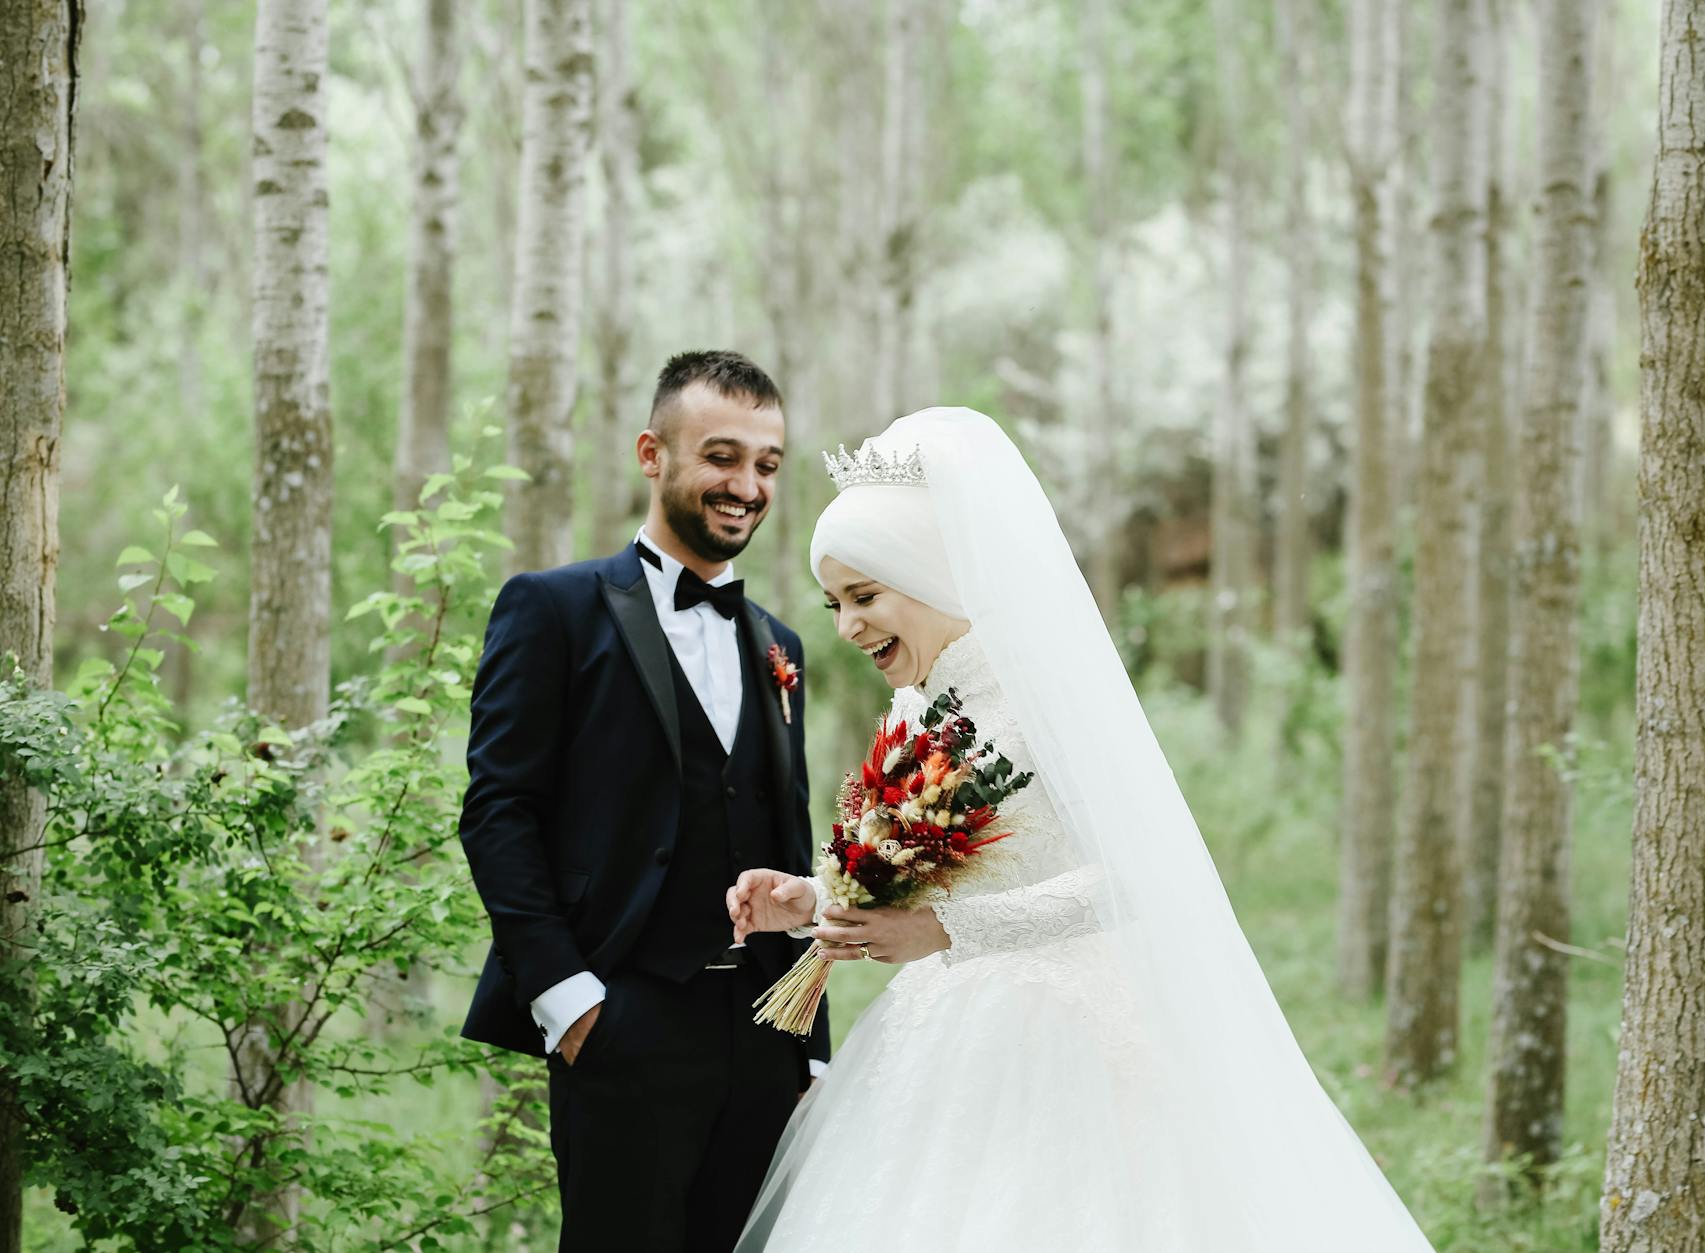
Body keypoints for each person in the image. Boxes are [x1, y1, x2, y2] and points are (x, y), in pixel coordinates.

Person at [727, 408, 1432, 1250]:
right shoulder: (916, 706)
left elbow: (1134, 874)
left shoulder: (1040, 697)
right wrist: (809, 898)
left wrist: (947, 927)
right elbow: (911, 874)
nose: (846, 626)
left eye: (866, 595)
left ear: (928, 573)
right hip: (941, 1040)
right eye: (835, 601)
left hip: (1063, 1042)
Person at [458, 350, 829, 1252]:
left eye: (768, 464)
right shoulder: (551, 608)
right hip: (622, 1024)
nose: (746, 484)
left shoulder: (778, 643)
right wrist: (570, 1002)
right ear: (652, 454)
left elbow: (792, 833)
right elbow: (498, 811)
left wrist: (808, 1041)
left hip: (764, 1038)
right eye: (722, 456)